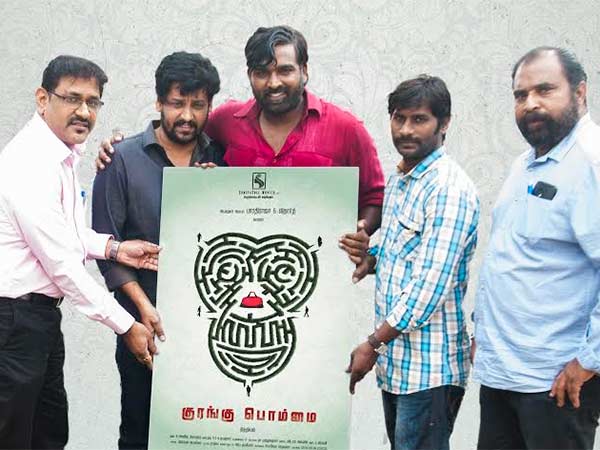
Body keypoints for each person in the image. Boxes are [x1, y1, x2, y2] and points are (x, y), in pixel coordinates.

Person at [96, 26, 385, 269]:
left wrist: (361, 232)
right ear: (249, 75)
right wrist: (119, 147)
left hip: (315, 279)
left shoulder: (346, 128)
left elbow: (375, 197)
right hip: (236, 276)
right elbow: (178, 132)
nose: (273, 82)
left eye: (285, 70)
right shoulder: (225, 122)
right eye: (262, 72)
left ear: (304, 71)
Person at [0, 55, 161, 450]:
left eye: (93, 102)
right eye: (72, 98)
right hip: (13, 323)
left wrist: (114, 248)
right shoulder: (30, 162)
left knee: (48, 434)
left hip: (38, 321)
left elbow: (65, 235)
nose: (84, 112)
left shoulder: (61, 155)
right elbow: (61, 264)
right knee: (13, 436)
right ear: (43, 99)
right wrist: (125, 325)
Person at [92, 51, 223, 450]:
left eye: (197, 105)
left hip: (210, 331)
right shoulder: (121, 158)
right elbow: (106, 249)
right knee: (140, 433)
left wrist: (222, 191)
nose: (187, 115)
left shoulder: (220, 159)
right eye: (177, 103)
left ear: (210, 107)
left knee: (204, 436)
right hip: (142, 327)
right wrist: (142, 309)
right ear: (159, 102)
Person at [473, 47, 600, 450]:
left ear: (580, 92)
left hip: (556, 383)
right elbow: (514, 257)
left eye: (545, 90)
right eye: (520, 94)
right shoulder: (524, 165)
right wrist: (484, 333)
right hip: (503, 375)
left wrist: (590, 361)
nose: (530, 103)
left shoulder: (590, 163)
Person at [347, 75, 480, 450]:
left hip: (430, 370)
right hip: (400, 367)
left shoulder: (448, 188)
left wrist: (372, 344)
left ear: (444, 123)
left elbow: (427, 289)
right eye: (399, 118)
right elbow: (400, 251)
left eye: (419, 119)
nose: (406, 130)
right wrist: (369, 259)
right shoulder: (402, 179)